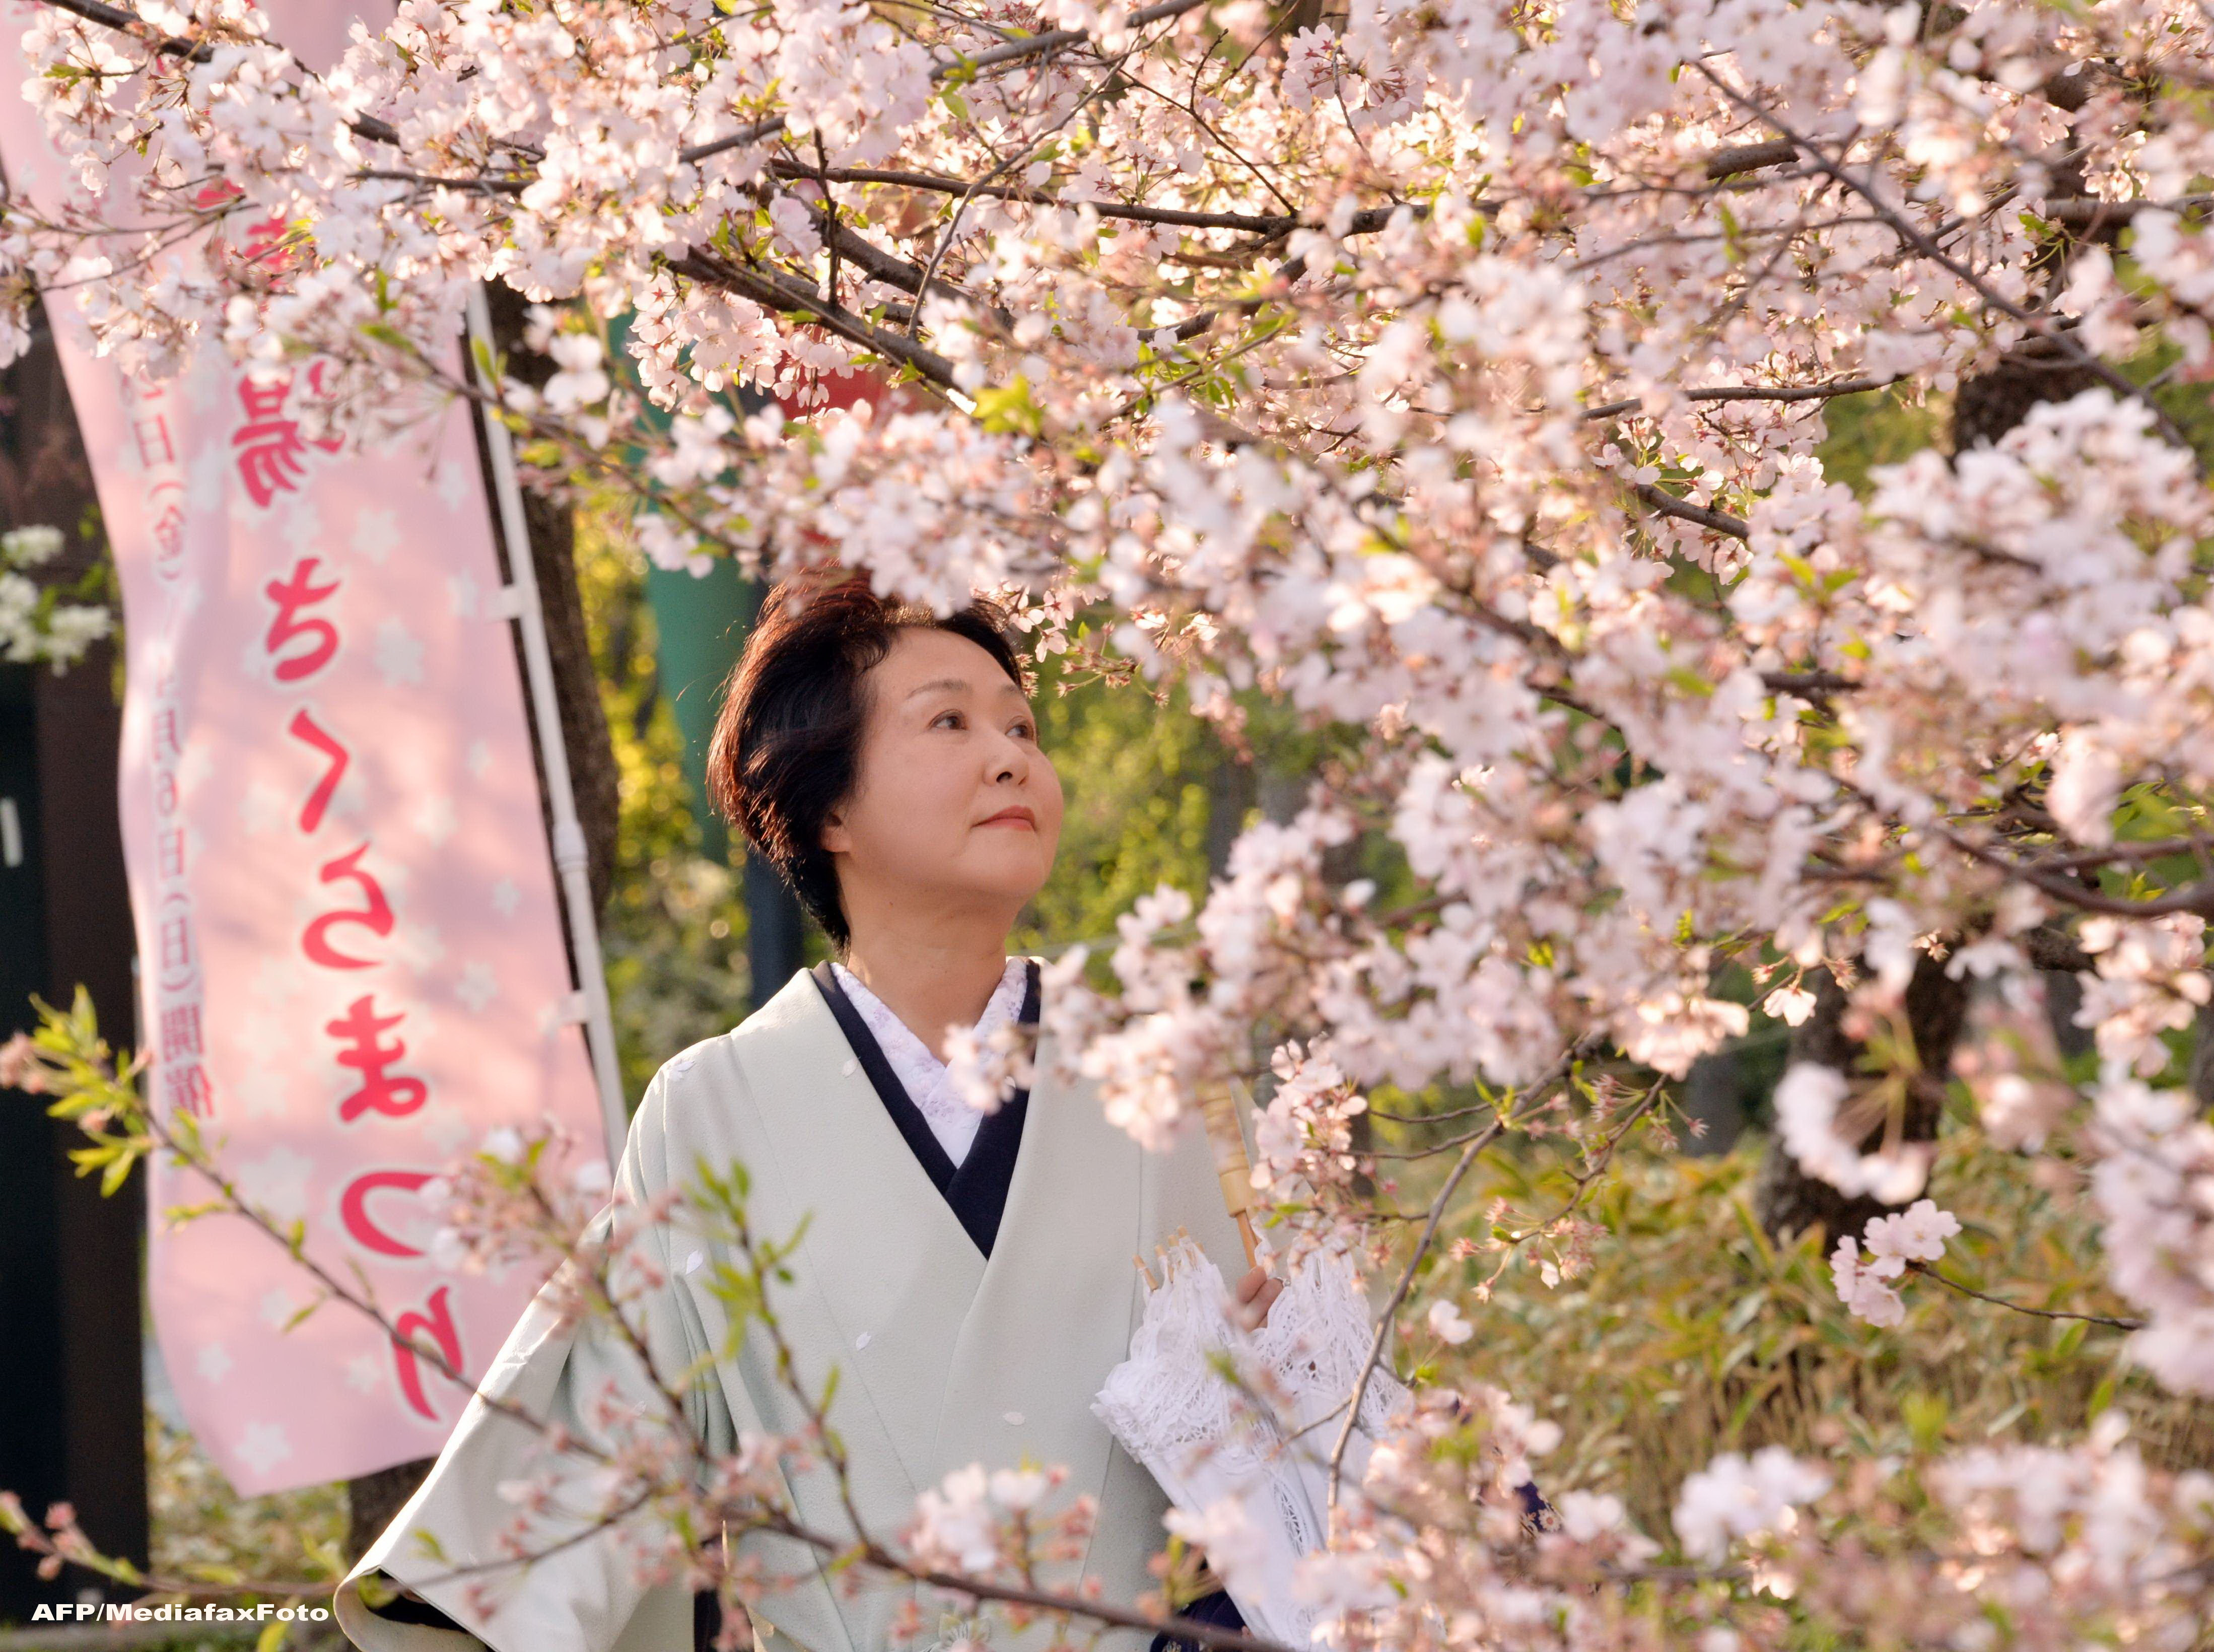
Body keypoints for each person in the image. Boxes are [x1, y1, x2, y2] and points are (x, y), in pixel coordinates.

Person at [333, 575, 1274, 1652]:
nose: (1011, 754)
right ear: (829, 807)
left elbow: (1321, 1409)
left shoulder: (1165, 1068)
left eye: (1021, 725)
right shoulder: (715, 1107)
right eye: (948, 722)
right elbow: (598, 1437)